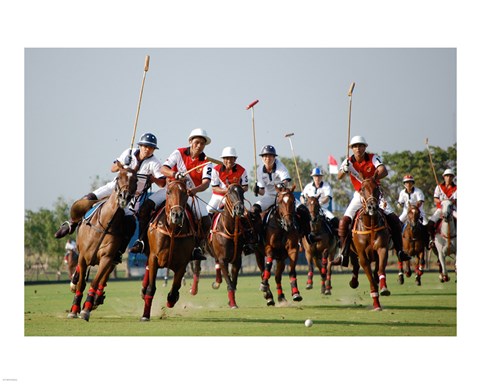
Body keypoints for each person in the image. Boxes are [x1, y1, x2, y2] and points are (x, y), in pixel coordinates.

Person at [54, 133, 165, 261]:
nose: (147, 149)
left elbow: (162, 183)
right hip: (115, 188)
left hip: (134, 196)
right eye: (145, 146)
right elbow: (112, 168)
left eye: (150, 147)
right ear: (139, 145)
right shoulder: (129, 153)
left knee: (130, 223)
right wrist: (121, 165)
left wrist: (152, 178)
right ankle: (71, 223)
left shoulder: (155, 163)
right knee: (88, 198)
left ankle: (120, 251)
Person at [130, 128, 213, 261]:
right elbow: (164, 168)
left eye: (202, 144)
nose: (199, 146)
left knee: (206, 220)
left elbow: (206, 183)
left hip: (189, 193)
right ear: (191, 142)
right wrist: (174, 174)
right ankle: (141, 241)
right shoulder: (179, 153)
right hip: (170, 190)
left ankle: (197, 247)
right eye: (197, 142)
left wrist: (195, 190)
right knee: (145, 208)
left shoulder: (206, 161)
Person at [334, 135, 411, 267]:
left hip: (376, 194)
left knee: (394, 219)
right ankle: (343, 254)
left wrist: (372, 178)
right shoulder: (348, 161)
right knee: (343, 222)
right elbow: (339, 176)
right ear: (351, 148)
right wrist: (344, 169)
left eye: (360, 146)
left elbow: (383, 170)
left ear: (365, 147)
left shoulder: (373, 158)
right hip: (360, 195)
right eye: (355, 146)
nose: (358, 149)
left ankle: (399, 251)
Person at [251, 144, 310, 238]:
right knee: (254, 210)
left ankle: (307, 235)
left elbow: (286, 180)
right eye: (265, 156)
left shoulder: (280, 166)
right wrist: (257, 190)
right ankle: (257, 237)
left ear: (274, 157)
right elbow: (262, 192)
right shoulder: (259, 170)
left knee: (304, 210)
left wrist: (282, 185)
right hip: (269, 196)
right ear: (262, 158)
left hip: (282, 195)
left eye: (270, 156)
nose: (268, 158)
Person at [207, 146, 248, 213]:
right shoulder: (216, 169)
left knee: (245, 214)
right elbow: (214, 188)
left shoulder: (242, 170)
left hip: (235, 197)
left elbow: (245, 187)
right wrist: (227, 191)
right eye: (226, 158)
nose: (229, 161)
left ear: (235, 159)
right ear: (223, 159)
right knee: (209, 209)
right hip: (218, 196)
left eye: (231, 158)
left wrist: (236, 191)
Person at [300, 167, 339, 235]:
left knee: (334, 220)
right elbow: (301, 197)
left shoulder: (326, 186)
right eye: (315, 176)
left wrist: (320, 203)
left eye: (319, 176)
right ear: (313, 177)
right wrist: (304, 202)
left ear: (321, 177)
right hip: (309, 210)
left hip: (322, 208)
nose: (317, 178)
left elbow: (327, 198)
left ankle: (337, 239)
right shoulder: (308, 186)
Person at [427, 168, 457, 248]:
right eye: (447, 176)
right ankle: (432, 240)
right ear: (444, 177)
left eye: (450, 176)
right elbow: (435, 198)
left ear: (453, 177)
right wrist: (442, 201)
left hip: (452, 209)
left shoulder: (456, 188)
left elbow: (456, 200)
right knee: (430, 223)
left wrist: (449, 202)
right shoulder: (439, 187)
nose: (448, 178)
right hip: (440, 209)